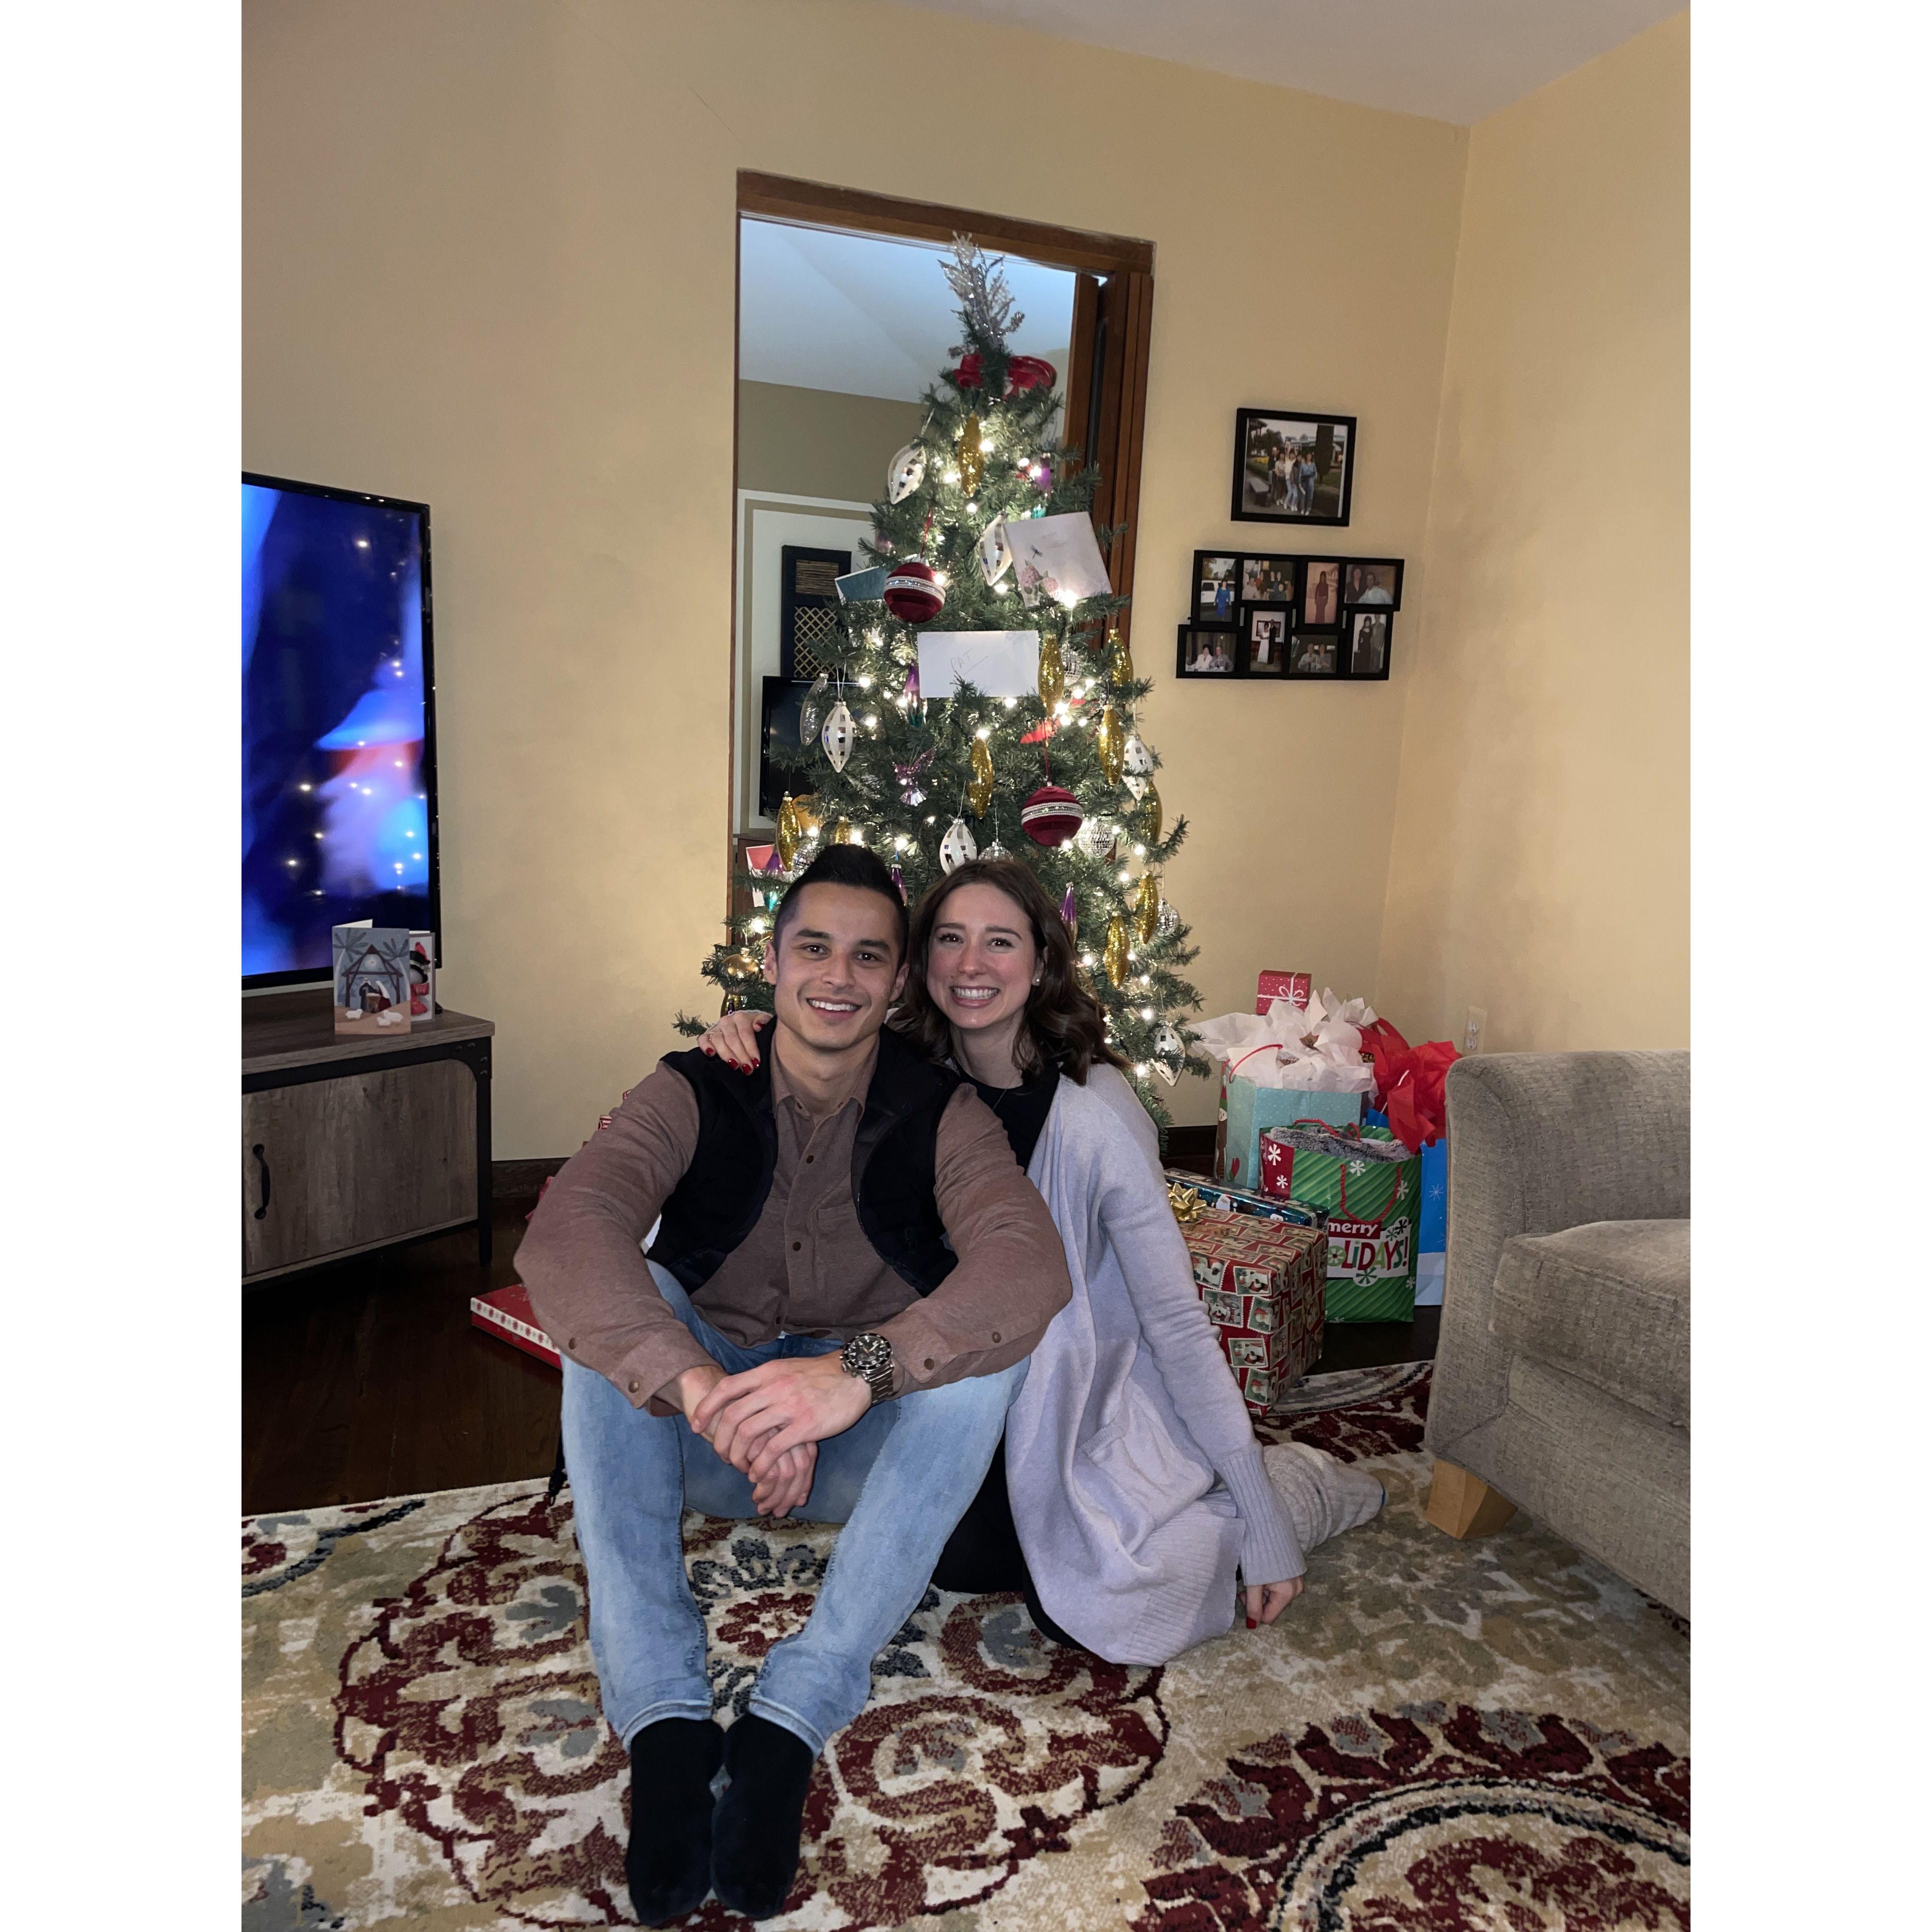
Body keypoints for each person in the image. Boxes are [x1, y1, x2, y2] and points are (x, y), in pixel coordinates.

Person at [519, 844, 1072, 1925]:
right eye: (814, 948)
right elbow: (569, 1228)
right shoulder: (694, 1085)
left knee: (984, 1367)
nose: (838, 976)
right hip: (702, 1431)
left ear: (898, 982)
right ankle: (665, 1723)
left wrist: (852, 1377)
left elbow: (1027, 1262)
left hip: (852, 1450)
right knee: (618, 1307)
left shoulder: (943, 1111)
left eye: (868, 957)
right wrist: (696, 1386)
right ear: (771, 963)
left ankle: (794, 1717)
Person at [701, 858, 1381, 1670]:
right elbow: (817, 1038)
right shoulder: (907, 1077)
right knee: (956, 1561)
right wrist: (753, 1026)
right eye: (950, 939)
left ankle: (1286, 1490)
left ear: (1041, 961)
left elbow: (1175, 1320)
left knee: (1094, 1604)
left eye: (1000, 941)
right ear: (919, 962)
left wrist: (1265, 1526)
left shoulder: (1096, 1114)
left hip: (1073, 1401)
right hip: (951, 1383)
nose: (971, 964)